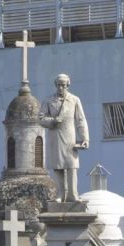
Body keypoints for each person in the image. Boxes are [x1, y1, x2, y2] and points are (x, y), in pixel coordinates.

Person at [39, 73, 89, 201]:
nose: (61, 88)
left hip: (70, 138)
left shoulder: (74, 100)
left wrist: (85, 138)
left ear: (68, 85)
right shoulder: (48, 100)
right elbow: (40, 119)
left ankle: (73, 194)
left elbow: (81, 120)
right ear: (56, 85)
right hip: (55, 137)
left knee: (71, 166)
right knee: (57, 167)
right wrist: (53, 121)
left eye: (63, 85)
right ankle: (60, 194)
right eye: (59, 85)